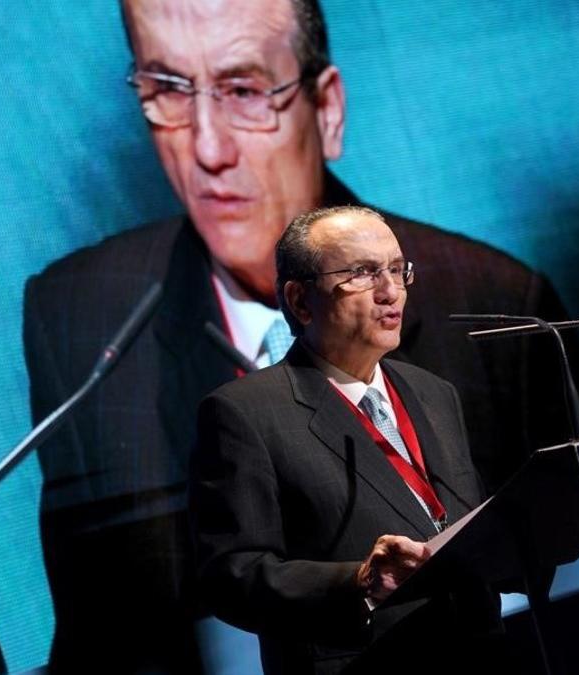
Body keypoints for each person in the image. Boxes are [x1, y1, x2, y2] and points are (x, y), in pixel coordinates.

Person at [23, 0, 579, 670]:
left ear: (326, 111)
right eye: (168, 89)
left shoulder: (498, 309)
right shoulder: (78, 316)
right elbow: (100, 632)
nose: (206, 149)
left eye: (243, 91)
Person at [190, 206, 505, 674]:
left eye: (397, 270)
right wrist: (356, 583)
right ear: (300, 301)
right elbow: (230, 576)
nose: (390, 291)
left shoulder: (434, 393)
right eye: (363, 273)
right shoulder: (244, 413)